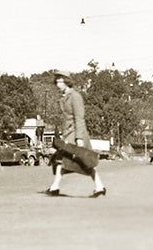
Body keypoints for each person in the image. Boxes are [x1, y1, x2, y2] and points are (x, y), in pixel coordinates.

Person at [44, 70, 106, 198]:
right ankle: (99, 186)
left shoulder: (75, 96)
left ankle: (55, 187)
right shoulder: (64, 97)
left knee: (78, 160)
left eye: (60, 81)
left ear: (67, 82)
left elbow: (79, 117)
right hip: (68, 133)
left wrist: (79, 138)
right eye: (57, 81)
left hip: (76, 133)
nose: (58, 84)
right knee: (81, 162)